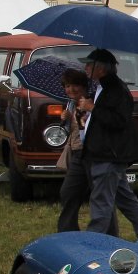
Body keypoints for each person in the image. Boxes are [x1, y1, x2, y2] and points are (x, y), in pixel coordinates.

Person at [78, 49, 138, 240]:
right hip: (107, 153)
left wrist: (93, 108)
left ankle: (94, 240)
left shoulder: (117, 90)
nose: (85, 67)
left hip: (109, 154)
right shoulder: (102, 88)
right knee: (125, 199)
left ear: (101, 69)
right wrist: (89, 114)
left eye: (89, 64)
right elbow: (103, 116)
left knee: (101, 200)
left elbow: (119, 121)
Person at [56, 67, 117, 236]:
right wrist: (67, 119)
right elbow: (72, 132)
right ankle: (67, 233)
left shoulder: (91, 103)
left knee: (101, 196)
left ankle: (109, 235)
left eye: (75, 85)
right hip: (77, 154)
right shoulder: (70, 105)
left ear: (84, 86)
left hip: (94, 155)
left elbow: (99, 126)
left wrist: (87, 114)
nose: (71, 89)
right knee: (68, 192)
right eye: (67, 86)